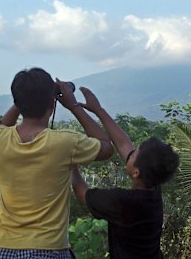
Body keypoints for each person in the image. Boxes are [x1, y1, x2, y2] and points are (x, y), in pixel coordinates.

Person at [0, 67, 114, 258]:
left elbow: (2, 125)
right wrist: (74, 106)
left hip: (3, 249)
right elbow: (106, 147)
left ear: (17, 102)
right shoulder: (65, 143)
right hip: (49, 249)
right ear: (52, 104)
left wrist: (24, 99)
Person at [71, 87, 179, 259]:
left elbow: (82, 194)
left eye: (136, 153)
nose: (131, 151)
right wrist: (97, 110)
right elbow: (123, 145)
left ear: (136, 172)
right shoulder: (153, 189)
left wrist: (71, 164)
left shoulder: (123, 202)